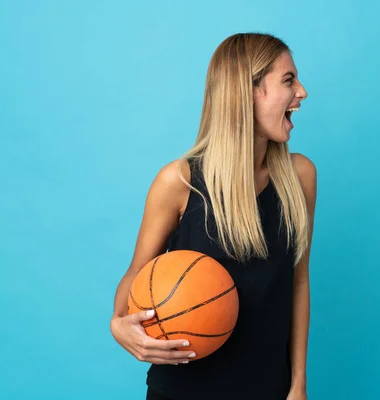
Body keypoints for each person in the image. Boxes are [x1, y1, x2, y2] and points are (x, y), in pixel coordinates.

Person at [110, 32, 316, 400]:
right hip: (181, 391)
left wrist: (298, 384)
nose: (301, 91)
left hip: (268, 390)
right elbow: (135, 275)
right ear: (248, 92)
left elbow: (298, 282)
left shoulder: (299, 177)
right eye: (288, 80)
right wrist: (119, 325)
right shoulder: (179, 182)